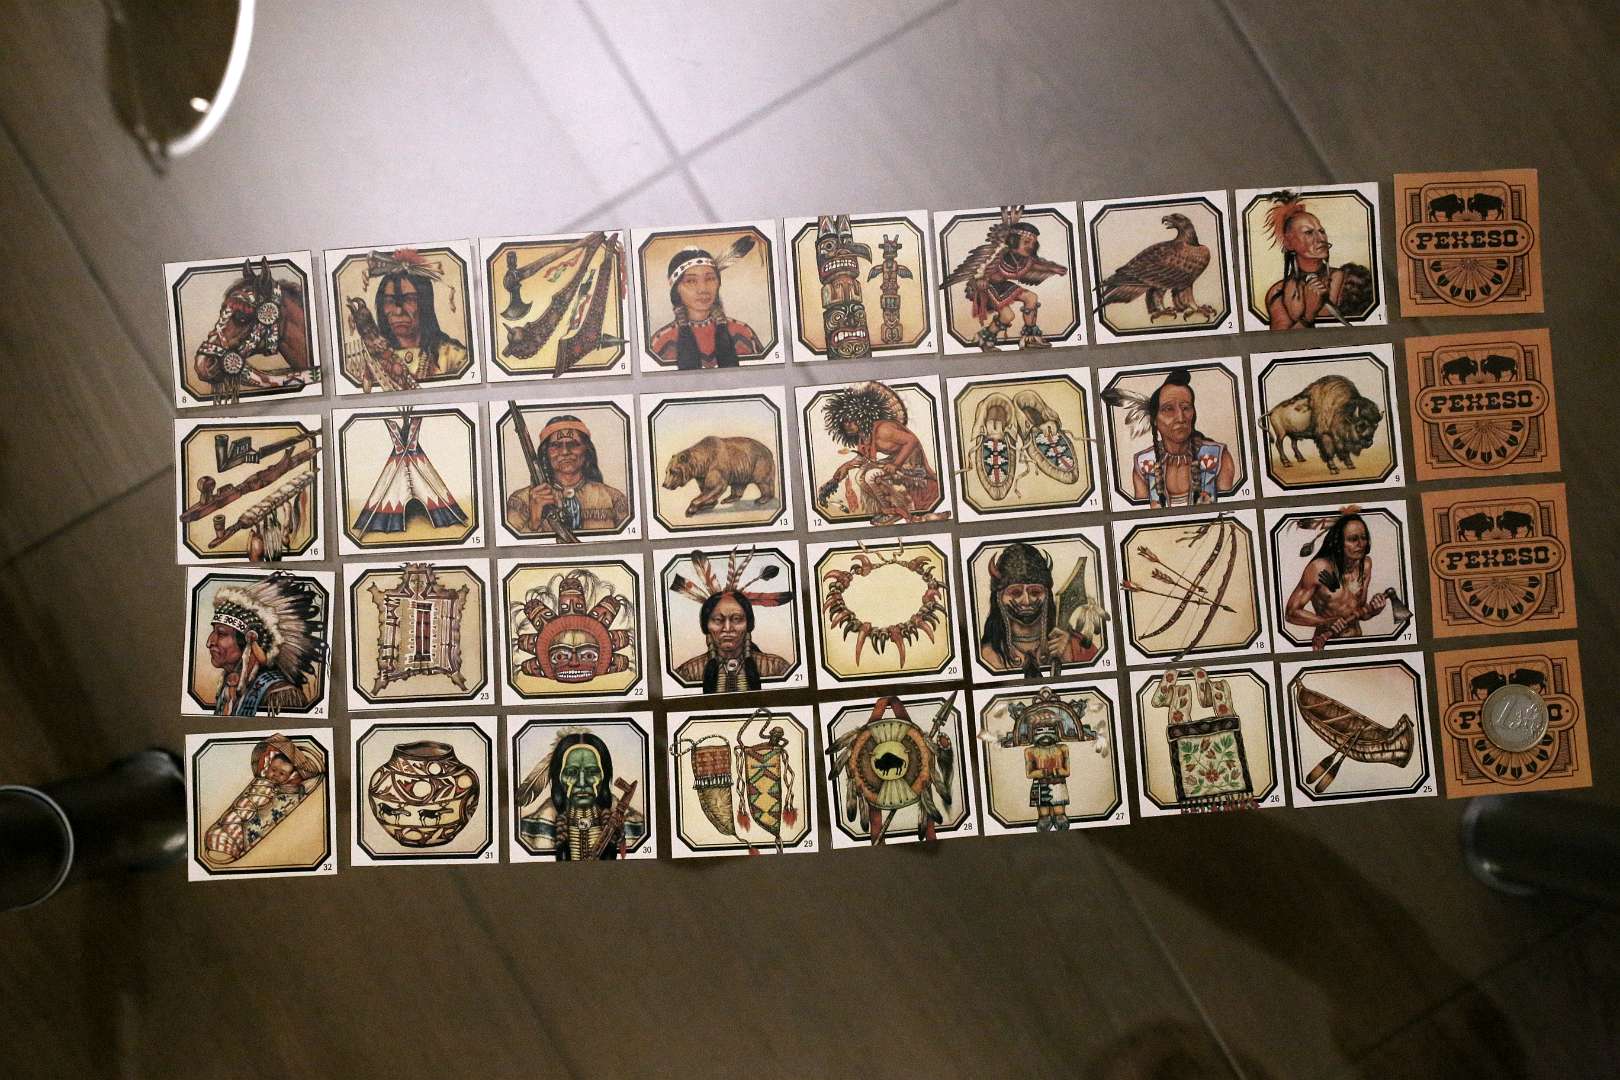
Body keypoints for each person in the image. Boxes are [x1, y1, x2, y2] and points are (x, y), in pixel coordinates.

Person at [815, 381, 943, 523]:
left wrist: (896, 464)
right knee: (860, 476)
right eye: (844, 422)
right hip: (895, 460)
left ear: (862, 416)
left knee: (870, 475)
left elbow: (912, 441)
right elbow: (862, 459)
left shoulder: (883, 430)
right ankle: (890, 510)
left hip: (910, 460)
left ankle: (895, 511)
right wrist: (841, 472)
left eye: (851, 421)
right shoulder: (863, 437)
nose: (847, 426)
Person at [204, 572, 326, 716]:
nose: (209, 642)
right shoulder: (228, 687)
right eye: (213, 632)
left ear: (247, 643)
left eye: (222, 633)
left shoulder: (278, 694)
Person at [515, 731, 646, 860]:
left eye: (592, 772)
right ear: (559, 778)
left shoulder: (638, 828)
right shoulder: (528, 831)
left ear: (604, 777)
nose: (582, 783)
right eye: (571, 772)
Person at [978, 541, 1098, 677]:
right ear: (999, 597)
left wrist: (1067, 658)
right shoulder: (985, 656)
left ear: (1047, 594)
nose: (1026, 601)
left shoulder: (1076, 646)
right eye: (1015, 592)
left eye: (1035, 592)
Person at [1261, 191, 1374, 330]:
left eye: (1321, 231)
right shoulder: (1278, 293)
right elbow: (1282, 342)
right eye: (1308, 233)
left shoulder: (1353, 279)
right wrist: (1309, 314)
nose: (1320, 239)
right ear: (1289, 243)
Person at [505, 415, 629, 537]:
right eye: (556, 445)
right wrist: (534, 522)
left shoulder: (614, 498)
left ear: (586, 450)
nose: (565, 452)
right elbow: (511, 545)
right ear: (546, 453)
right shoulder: (521, 500)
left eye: (573, 444)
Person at [1128, 368, 1236, 507]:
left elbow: (1228, 511)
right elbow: (1141, 516)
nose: (1180, 418)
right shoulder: (1143, 464)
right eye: (1169, 409)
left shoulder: (1218, 456)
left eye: (1186, 408)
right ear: (1154, 419)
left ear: (1193, 413)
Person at [1284, 513, 1388, 649]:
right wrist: (1324, 622)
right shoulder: (1318, 568)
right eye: (1353, 539)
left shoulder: (1366, 565)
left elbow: (1360, 612)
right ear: (1338, 543)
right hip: (1327, 644)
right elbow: (1291, 613)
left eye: (1364, 538)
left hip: (1357, 641)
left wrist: (1375, 609)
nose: (1361, 544)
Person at [648, 247, 763, 369]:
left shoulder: (743, 333)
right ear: (677, 289)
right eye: (691, 281)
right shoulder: (661, 341)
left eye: (710, 279)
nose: (703, 289)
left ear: (718, 284)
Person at [675, 590, 791, 693]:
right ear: (706, 626)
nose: (727, 628)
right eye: (718, 620)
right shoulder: (688, 672)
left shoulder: (776, 667)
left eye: (736, 619)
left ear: (748, 624)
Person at [369, 260, 469, 380]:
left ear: (425, 304)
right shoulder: (371, 360)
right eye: (390, 301)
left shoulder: (453, 357)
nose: (398, 311)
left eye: (409, 300)